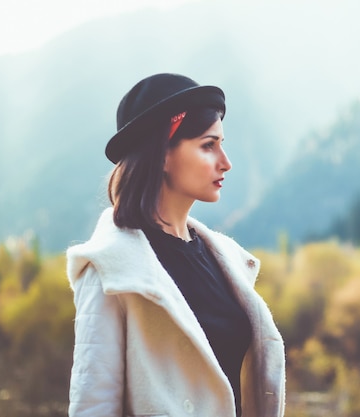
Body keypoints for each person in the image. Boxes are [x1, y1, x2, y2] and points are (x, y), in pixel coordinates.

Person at [66, 73, 286, 417]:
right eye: (208, 145)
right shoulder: (112, 268)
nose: (225, 162)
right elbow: (93, 404)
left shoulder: (223, 259)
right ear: (163, 155)